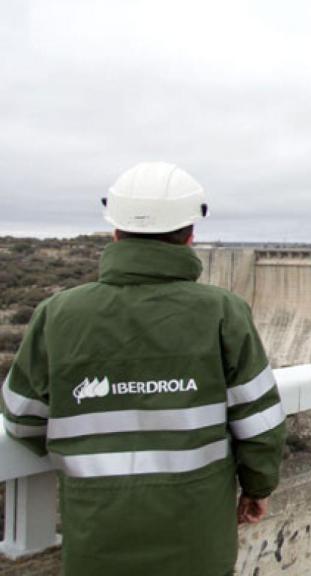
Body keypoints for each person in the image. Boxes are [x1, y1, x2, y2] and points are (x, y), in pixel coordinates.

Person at [1, 162, 286, 576]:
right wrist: (258, 488)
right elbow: (260, 423)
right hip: (199, 542)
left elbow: (23, 420)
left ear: (115, 232)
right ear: (191, 234)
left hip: (97, 540)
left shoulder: (57, 314)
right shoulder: (223, 312)